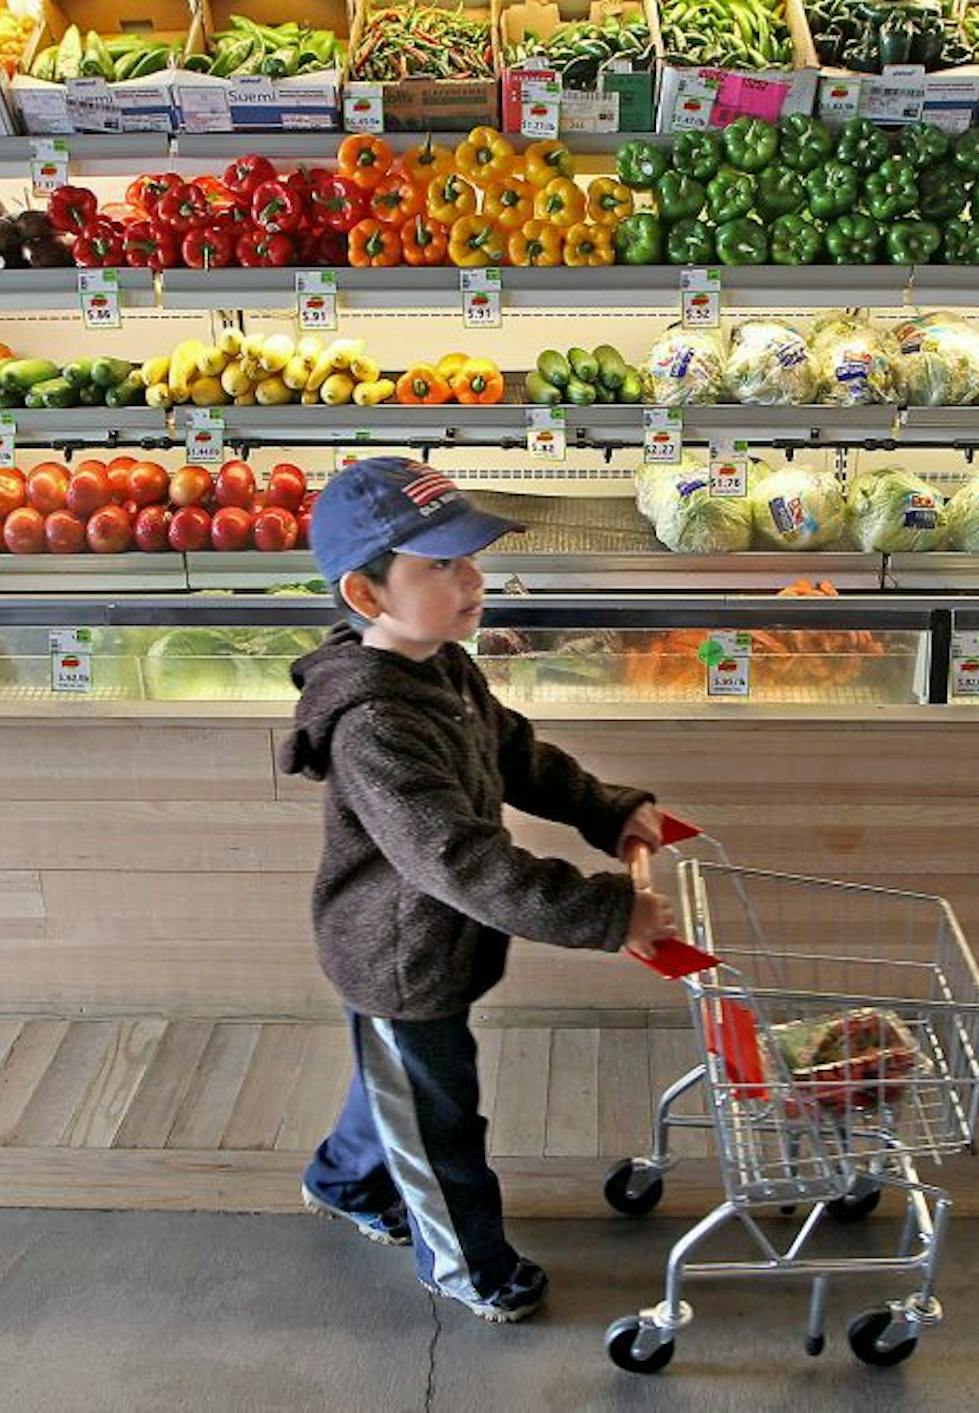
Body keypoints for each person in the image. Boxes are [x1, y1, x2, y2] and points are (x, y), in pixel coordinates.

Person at [279, 456, 676, 1325]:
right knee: (440, 1120)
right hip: (400, 956)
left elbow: (516, 755)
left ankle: (343, 1178)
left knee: (396, 1080)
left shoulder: (443, 666)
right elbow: (459, 859)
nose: (472, 579)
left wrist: (605, 812)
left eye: (469, 558)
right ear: (366, 592)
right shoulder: (377, 724)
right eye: (441, 565)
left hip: (431, 944)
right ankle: (470, 1267)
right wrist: (608, 911)